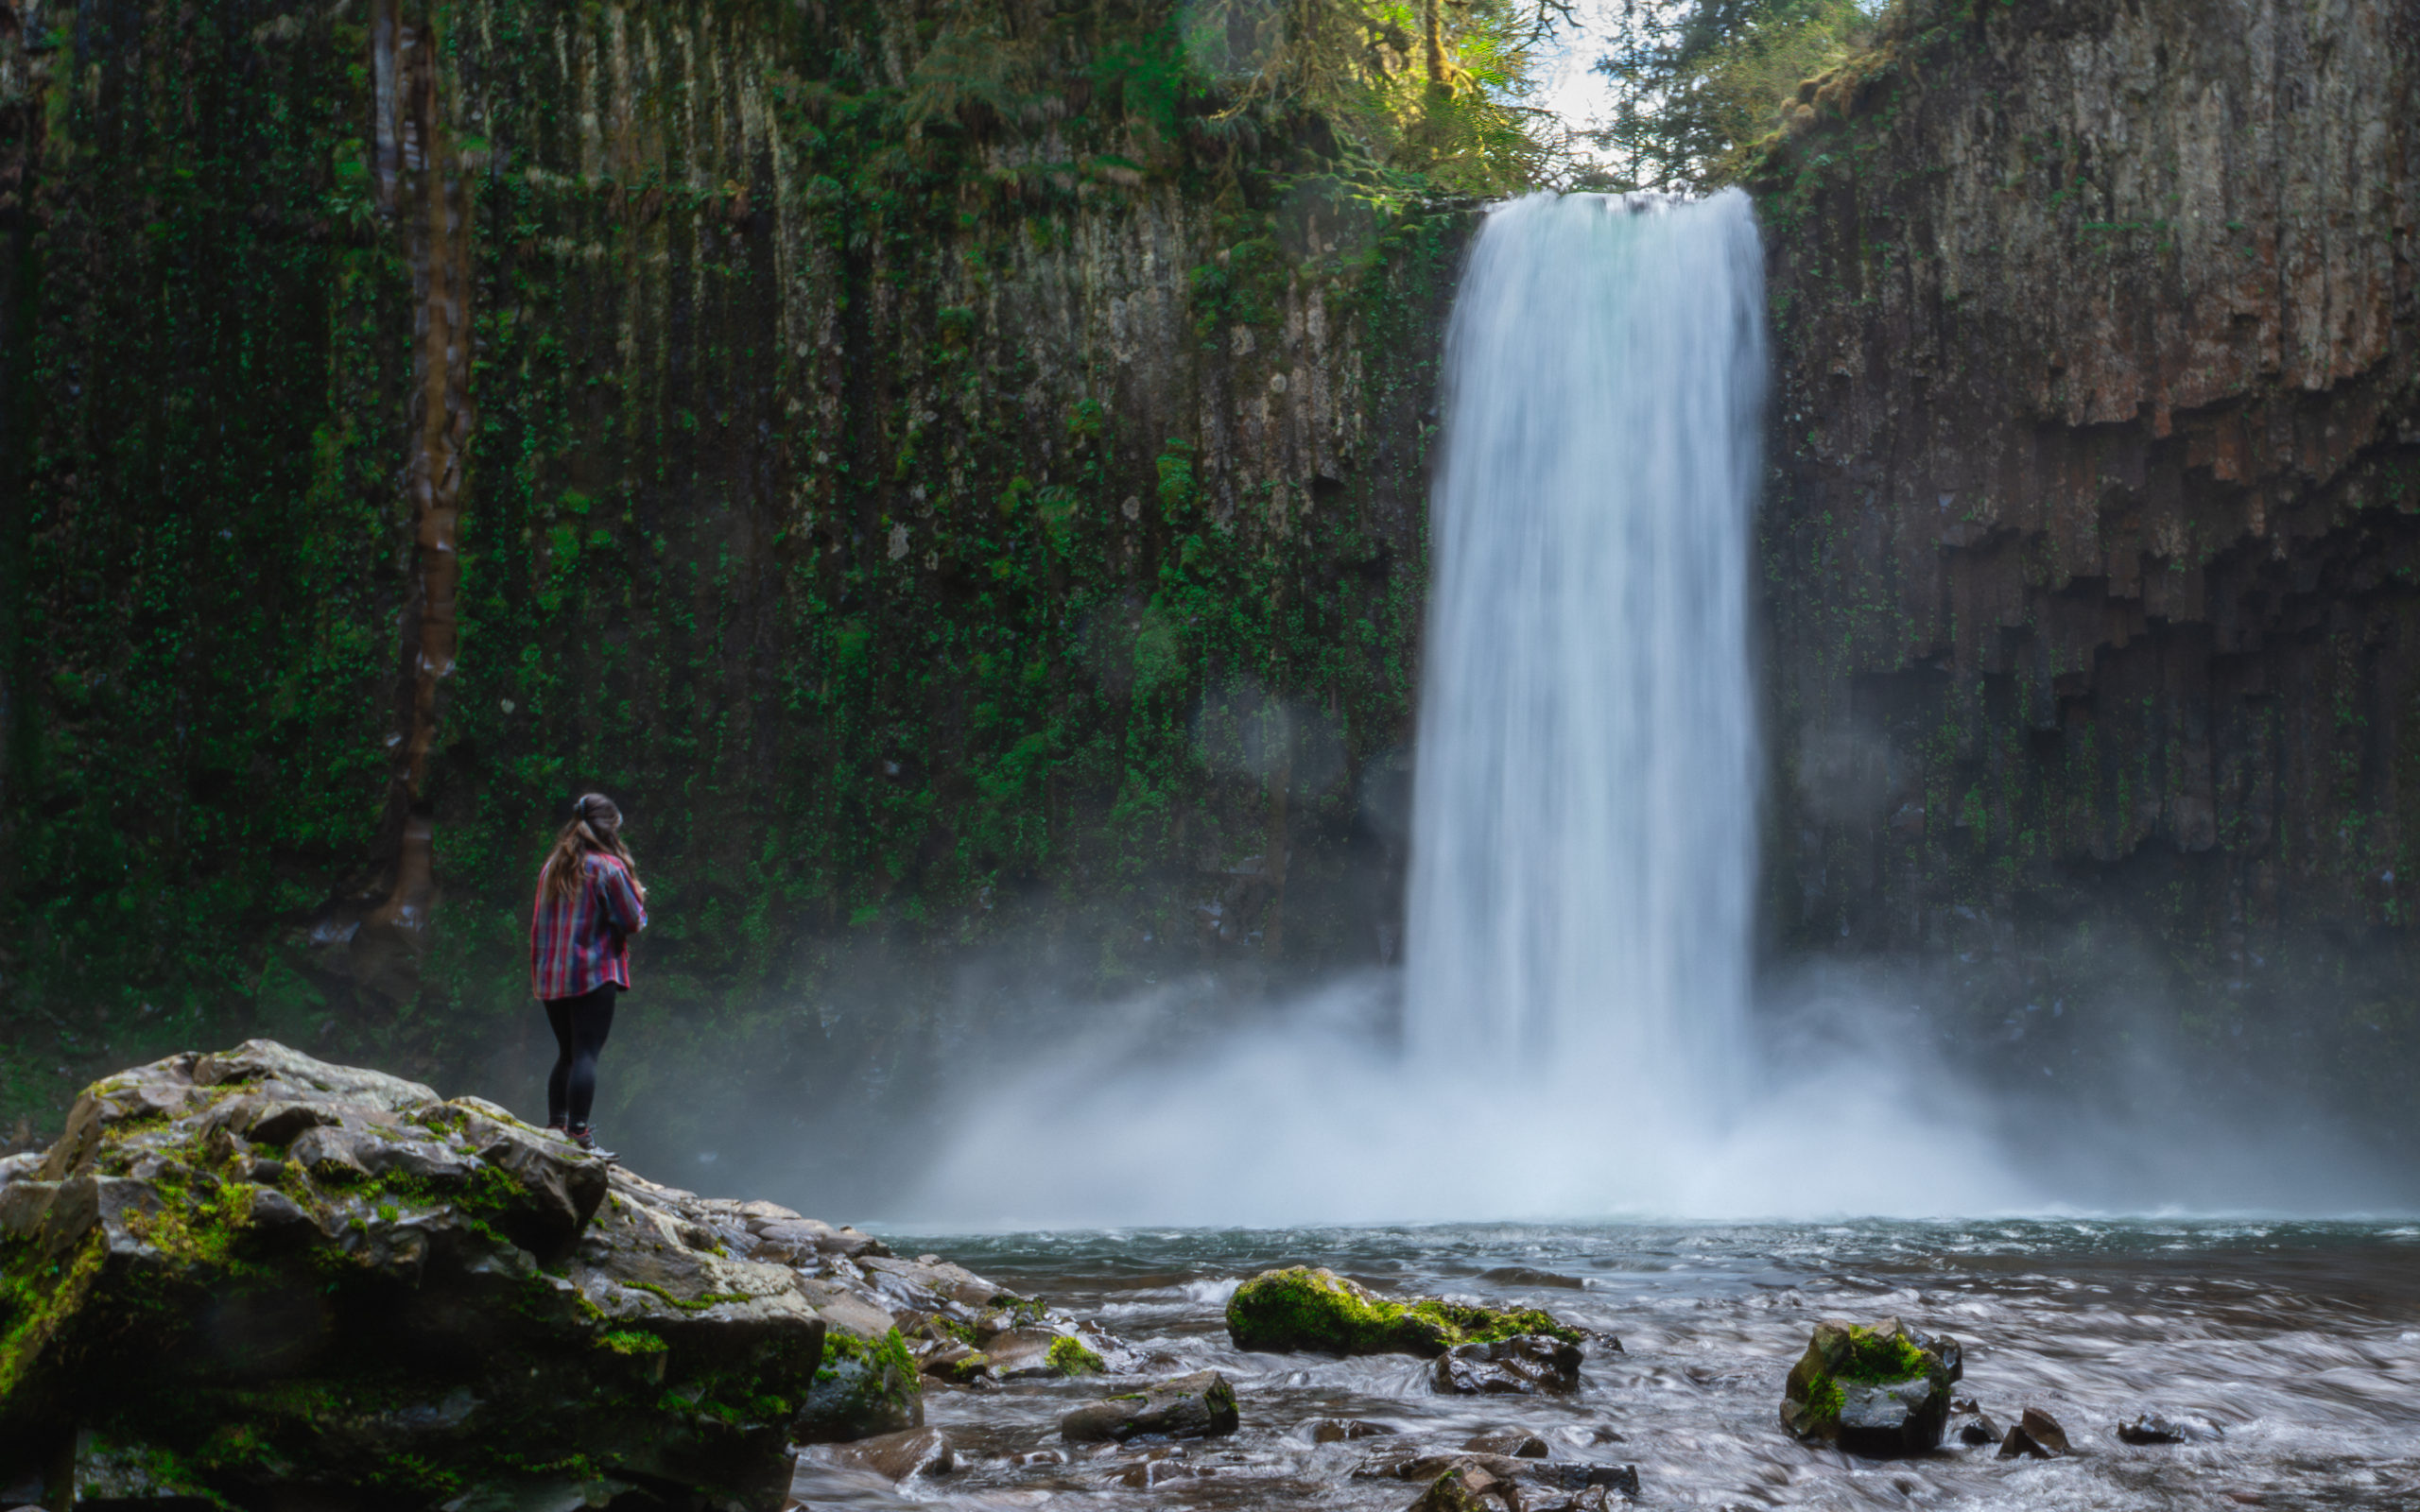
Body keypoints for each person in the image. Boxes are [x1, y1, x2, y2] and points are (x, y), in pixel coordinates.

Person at [528, 792, 649, 1157]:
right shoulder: (608, 869)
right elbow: (631, 921)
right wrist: (639, 895)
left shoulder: (553, 866)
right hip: (593, 974)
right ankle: (579, 1134)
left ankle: (556, 1125)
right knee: (586, 1055)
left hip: (551, 974)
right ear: (610, 828)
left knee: (566, 1052)